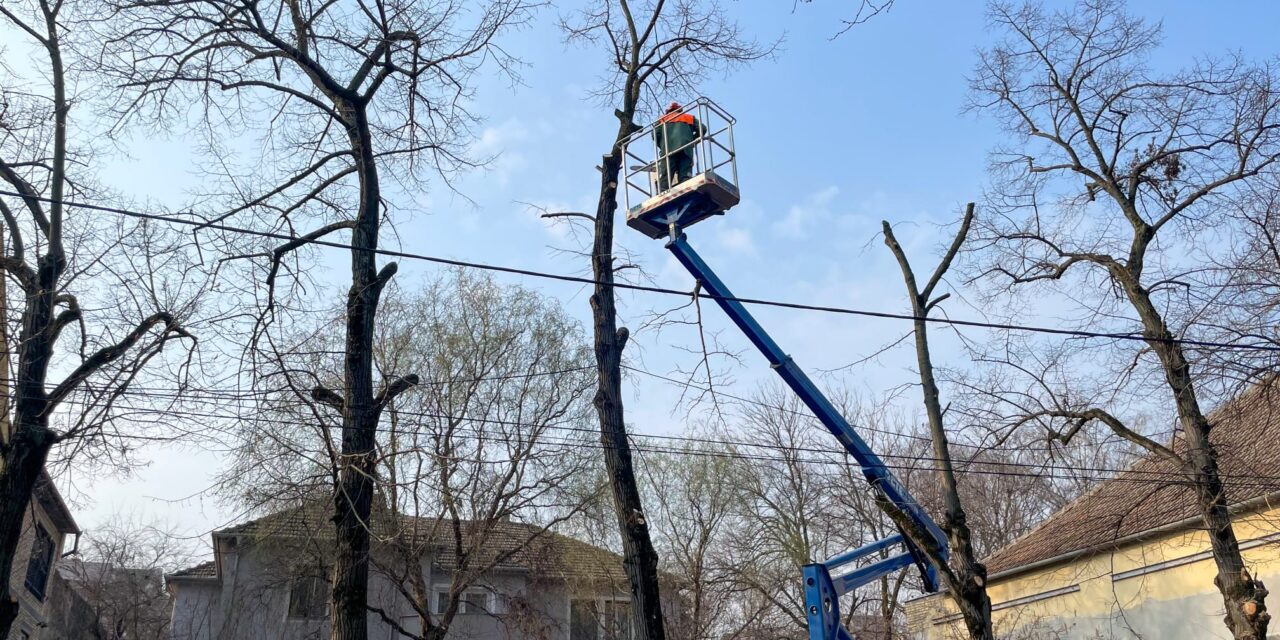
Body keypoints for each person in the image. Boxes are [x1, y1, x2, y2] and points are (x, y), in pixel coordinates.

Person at [654, 102, 705, 192]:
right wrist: (692, 140)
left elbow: (655, 135)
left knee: (666, 175)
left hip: (668, 151)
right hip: (686, 149)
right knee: (685, 176)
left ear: (668, 111)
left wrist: (662, 146)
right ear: (680, 110)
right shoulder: (689, 117)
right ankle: (685, 189)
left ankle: (663, 191)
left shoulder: (662, 119)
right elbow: (703, 128)